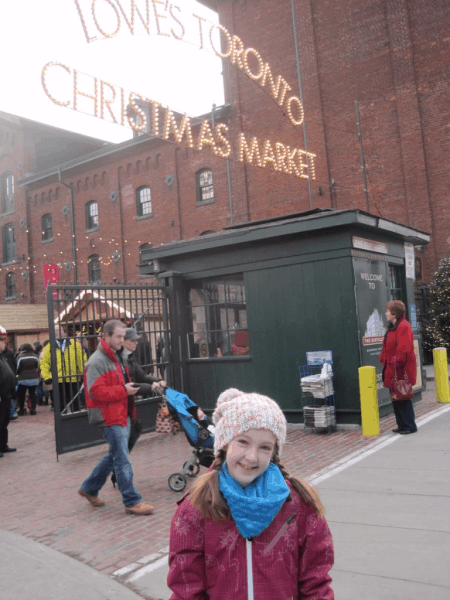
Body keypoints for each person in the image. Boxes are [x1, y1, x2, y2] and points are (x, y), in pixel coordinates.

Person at [167, 388, 335, 599]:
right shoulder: (194, 509)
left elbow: (316, 582)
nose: (252, 457)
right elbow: (186, 588)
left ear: (274, 453)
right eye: (243, 442)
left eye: (264, 447)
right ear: (225, 443)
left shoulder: (299, 506)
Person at [78, 319, 154, 516]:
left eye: (123, 336)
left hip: (120, 413)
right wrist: (123, 391)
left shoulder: (114, 357)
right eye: (118, 336)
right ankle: (131, 500)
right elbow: (95, 392)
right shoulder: (97, 361)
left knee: (116, 455)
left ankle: (89, 487)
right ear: (107, 336)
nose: (122, 340)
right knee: (122, 459)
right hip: (109, 416)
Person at [379, 300, 417, 435]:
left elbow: (404, 349)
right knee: (396, 397)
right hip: (392, 367)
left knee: (403, 396)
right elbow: (387, 347)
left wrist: (396, 362)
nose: (386, 313)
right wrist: (383, 358)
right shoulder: (392, 327)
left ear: (394, 313)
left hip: (400, 369)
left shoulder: (403, 327)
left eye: (387, 311)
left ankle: (409, 425)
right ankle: (401, 424)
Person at [40, 325, 85, 413]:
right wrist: (47, 376)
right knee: (60, 406)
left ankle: (75, 421)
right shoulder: (48, 347)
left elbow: (82, 359)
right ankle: (62, 423)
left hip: (73, 378)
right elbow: (44, 363)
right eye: (54, 330)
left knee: (75, 405)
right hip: (58, 380)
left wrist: (83, 373)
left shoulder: (75, 345)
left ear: (64, 332)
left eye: (58, 330)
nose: (55, 332)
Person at [0, 325, 17, 457]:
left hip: (5, 395)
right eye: (1, 341)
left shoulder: (3, 357)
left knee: (4, 421)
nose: (3, 344)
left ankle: (3, 445)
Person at [16, 343, 40, 415]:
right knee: (32, 394)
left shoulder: (20, 357)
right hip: (33, 378)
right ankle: (33, 409)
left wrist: (17, 375)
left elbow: (17, 368)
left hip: (22, 379)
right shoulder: (35, 356)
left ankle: (21, 409)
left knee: (21, 395)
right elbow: (37, 367)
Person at [1, 337, 18, 420]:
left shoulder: (6, 355)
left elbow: (14, 366)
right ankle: (13, 412)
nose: (3, 343)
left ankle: (13, 412)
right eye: (1, 341)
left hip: (8, 388)